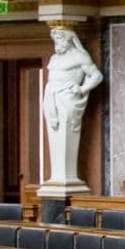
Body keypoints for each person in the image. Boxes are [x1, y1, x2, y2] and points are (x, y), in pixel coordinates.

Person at [41, 24, 103, 189]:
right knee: (54, 134)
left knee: (66, 134)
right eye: (55, 39)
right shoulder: (54, 58)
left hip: (68, 97)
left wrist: (82, 88)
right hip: (51, 96)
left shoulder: (79, 56)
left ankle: (66, 176)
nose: (57, 43)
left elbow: (96, 76)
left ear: (68, 39)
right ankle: (56, 176)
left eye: (60, 39)